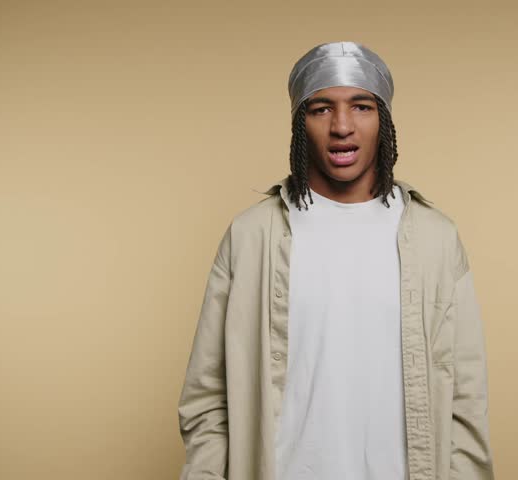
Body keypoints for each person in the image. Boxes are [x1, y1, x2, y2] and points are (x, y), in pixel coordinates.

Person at [178, 41, 495, 480]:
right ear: (298, 123)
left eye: (362, 106)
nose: (342, 126)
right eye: (321, 109)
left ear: (383, 121)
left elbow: (465, 402)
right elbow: (208, 398)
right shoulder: (252, 236)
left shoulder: (436, 239)